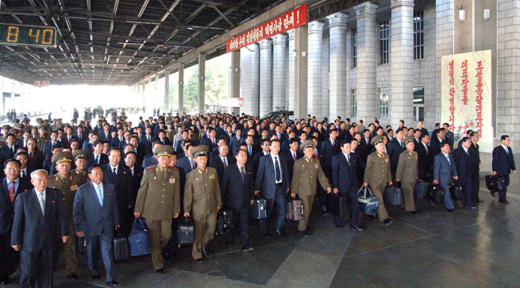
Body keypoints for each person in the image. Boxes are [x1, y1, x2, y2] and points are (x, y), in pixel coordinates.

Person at [11, 169, 69, 288]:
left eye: (45, 179)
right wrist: (15, 240)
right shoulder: (24, 197)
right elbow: (17, 222)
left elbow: (62, 216)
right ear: (32, 181)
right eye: (39, 180)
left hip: (49, 240)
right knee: (28, 272)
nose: (42, 182)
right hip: (29, 242)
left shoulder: (55, 194)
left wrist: (64, 233)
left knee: (47, 272)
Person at [134, 146, 181, 273]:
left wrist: (176, 208)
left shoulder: (175, 172)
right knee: (155, 238)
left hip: (167, 210)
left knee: (167, 234)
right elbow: (142, 191)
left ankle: (156, 251)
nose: (165, 160)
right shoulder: (149, 171)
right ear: (157, 159)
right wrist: (138, 208)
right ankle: (158, 265)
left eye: (167, 158)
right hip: (151, 210)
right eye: (162, 158)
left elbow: (176, 193)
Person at [73, 165, 119, 287]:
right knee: (92, 251)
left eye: (101, 173)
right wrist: (79, 228)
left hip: (107, 225)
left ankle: (110, 278)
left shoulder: (109, 187)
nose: (99, 176)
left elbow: (114, 206)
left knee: (107, 251)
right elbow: (77, 210)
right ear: (89, 176)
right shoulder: (83, 190)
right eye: (95, 173)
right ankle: (94, 271)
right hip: (90, 226)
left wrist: (116, 222)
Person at [47, 152, 85, 280]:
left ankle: (71, 270)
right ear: (56, 167)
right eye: (62, 165)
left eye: (67, 164)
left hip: (70, 217)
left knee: (70, 245)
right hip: (53, 219)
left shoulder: (76, 179)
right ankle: (49, 267)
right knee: (52, 245)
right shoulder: (50, 180)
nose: (65, 167)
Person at [183, 145, 221, 262]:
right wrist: (186, 210)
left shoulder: (212, 171)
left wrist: (219, 203)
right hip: (198, 209)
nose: (203, 161)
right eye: (200, 159)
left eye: (204, 158)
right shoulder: (191, 175)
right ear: (195, 160)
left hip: (212, 206)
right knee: (199, 233)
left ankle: (198, 248)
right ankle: (197, 254)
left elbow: (217, 189)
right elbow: (188, 194)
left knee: (211, 230)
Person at [0, 159, 33, 285]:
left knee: (18, 252)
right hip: (3, 225)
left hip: (22, 224)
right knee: (3, 252)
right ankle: (4, 274)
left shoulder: (27, 185)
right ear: (4, 171)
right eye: (9, 169)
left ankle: (22, 274)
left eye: (15, 169)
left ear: (20, 170)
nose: (12, 171)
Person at [290, 140, 330, 235]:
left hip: (312, 189)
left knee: (309, 209)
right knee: (305, 209)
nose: (311, 152)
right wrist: (293, 190)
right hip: (302, 190)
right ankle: (302, 228)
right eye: (308, 150)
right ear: (304, 151)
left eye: (312, 150)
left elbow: (321, 175)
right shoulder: (298, 162)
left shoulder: (316, 162)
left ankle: (304, 225)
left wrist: (327, 186)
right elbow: (295, 178)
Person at [219, 149, 255, 251]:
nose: (244, 157)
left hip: (245, 201)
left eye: (245, 155)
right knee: (231, 222)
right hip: (232, 202)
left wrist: (252, 197)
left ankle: (245, 243)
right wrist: (221, 201)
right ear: (236, 157)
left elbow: (251, 185)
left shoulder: (248, 168)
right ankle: (229, 239)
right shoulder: (230, 169)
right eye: (242, 155)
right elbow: (224, 186)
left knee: (245, 223)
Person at [254, 140, 290, 238]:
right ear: (269, 147)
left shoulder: (282, 158)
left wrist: (287, 185)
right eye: (274, 146)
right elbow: (260, 174)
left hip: (280, 188)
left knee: (283, 210)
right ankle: (264, 231)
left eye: (278, 146)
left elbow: (285, 172)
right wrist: (257, 188)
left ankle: (278, 227)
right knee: (267, 212)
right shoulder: (264, 159)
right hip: (268, 189)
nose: (277, 148)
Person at [331, 140, 361, 230]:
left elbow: (356, 171)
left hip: (352, 185)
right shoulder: (337, 158)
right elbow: (334, 173)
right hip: (341, 186)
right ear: (341, 148)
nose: (349, 149)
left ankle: (354, 223)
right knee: (340, 204)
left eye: (349, 146)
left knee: (355, 204)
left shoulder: (353, 156)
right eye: (347, 147)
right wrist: (335, 186)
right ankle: (338, 221)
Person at [363, 136, 394, 225]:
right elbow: (368, 170)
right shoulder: (371, 157)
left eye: (383, 144)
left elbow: (388, 170)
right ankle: (384, 218)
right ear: (376, 146)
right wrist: (366, 181)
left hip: (383, 182)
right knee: (380, 200)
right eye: (380, 145)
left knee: (377, 199)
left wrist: (389, 180)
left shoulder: (386, 156)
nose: (382, 146)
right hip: (374, 182)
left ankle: (373, 213)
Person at [433, 142, 459, 212]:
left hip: (449, 176)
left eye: (449, 147)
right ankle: (450, 206)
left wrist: (455, 174)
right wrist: (436, 178)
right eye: (447, 147)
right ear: (442, 149)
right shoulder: (438, 157)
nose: (449, 149)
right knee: (446, 191)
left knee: (448, 190)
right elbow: (436, 168)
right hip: (442, 177)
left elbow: (453, 165)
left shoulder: (450, 155)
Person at [395, 137, 418, 214]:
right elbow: (400, 167)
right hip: (405, 177)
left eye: (413, 144)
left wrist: (416, 175)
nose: (412, 146)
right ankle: (411, 209)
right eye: (410, 144)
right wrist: (398, 177)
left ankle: (404, 204)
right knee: (409, 193)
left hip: (413, 177)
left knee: (410, 192)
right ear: (406, 146)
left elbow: (416, 166)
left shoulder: (415, 153)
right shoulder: (403, 155)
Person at [491, 135, 517, 203]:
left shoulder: (509, 149)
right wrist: (494, 170)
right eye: (507, 140)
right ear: (503, 140)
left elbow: (511, 159)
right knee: (502, 184)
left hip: (507, 170)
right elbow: (495, 160)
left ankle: (494, 190)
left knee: (506, 183)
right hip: (500, 170)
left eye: (509, 140)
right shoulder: (497, 149)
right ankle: (502, 198)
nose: (509, 141)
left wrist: (513, 168)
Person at [453, 137, 476, 209]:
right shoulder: (457, 151)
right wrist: (455, 174)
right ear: (463, 142)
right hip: (460, 174)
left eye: (470, 142)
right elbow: (455, 164)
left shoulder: (471, 151)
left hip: (468, 174)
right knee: (458, 189)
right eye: (468, 142)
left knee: (469, 189)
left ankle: (468, 204)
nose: (470, 144)